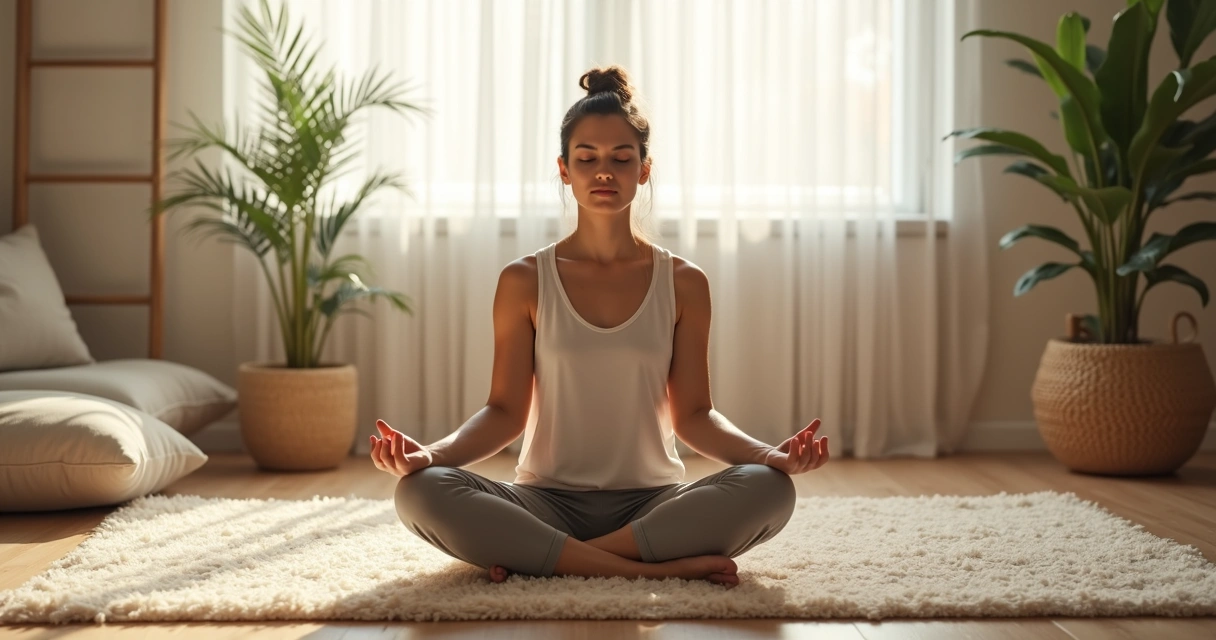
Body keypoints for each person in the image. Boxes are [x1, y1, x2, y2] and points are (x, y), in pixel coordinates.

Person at [371, 65, 828, 589]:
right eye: (586, 158)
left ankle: (554, 560)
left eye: (621, 158)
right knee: (419, 491)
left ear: (645, 169)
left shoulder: (685, 282)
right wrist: (429, 455)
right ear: (565, 170)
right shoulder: (524, 280)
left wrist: (771, 456)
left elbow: (695, 417)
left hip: (653, 506)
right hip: (544, 502)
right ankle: (654, 566)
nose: (603, 172)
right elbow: (504, 412)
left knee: (769, 489)